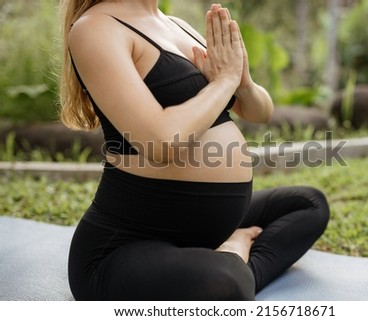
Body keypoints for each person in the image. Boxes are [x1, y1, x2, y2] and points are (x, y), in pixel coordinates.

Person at [59, 0, 330, 301]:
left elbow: (260, 111)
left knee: (308, 204)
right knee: (223, 286)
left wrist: (242, 81)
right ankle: (233, 255)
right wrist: (223, 82)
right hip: (125, 245)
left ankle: (225, 263)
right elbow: (161, 141)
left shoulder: (177, 25)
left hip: (205, 229)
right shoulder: (95, 28)